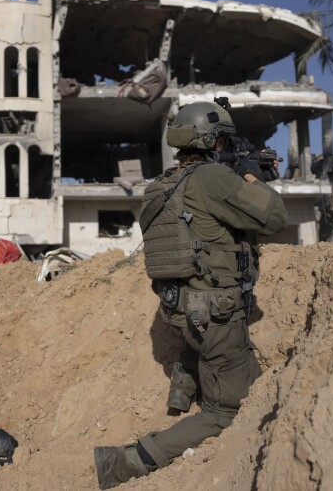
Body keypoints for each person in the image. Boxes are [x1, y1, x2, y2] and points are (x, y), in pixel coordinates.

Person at [93, 101, 287, 489]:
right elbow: (275, 217)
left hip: (182, 309)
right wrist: (250, 174)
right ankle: (126, 462)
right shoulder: (213, 178)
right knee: (228, 411)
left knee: (205, 347)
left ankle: (182, 390)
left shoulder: (162, 185)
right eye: (223, 140)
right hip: (217, 315)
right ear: (214, 141)